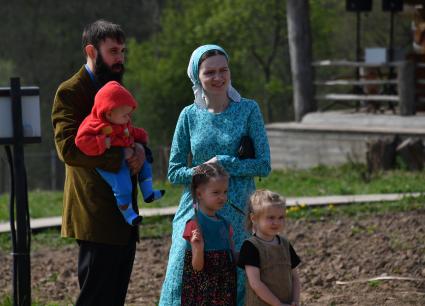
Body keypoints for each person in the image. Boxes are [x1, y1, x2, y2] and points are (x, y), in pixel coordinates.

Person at [159, 44, 271, 306]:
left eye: (224, 70)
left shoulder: (249, 110)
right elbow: (174, 172)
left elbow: (263, 165)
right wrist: (203, 171)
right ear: (197, 76)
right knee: (181, 272)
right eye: (210, 72)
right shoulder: (188, 116)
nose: (218, 78)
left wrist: (224, 162)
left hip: (238, 207)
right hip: (197, 207)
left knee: (237, 278)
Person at [51, 20, 145, 305]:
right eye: (113, 51)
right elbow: (68, 149)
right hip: (94, 213)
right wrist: (121, 155)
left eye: (122, 51)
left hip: (123, 216)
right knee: (95, 299)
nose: (120, 58)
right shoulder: (70, 92)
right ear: (92, 50)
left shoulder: (114, 87)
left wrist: (140, 149)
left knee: (114, 298)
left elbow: (126, 134)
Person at [75, 80, 164, 226]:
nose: (128, 119)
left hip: (128, 157)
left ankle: (148, 192)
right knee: (123, 186)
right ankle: (128, 213)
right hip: (111, 164)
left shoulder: (122, 122)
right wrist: (103, 142)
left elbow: (131, 132)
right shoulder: (94, 125)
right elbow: (81, 141)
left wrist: (141, 139)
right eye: (125, 115)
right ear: (109, 114)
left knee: (146, 164)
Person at [181, 162, 237, 305]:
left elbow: (234, 258)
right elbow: (197, 267)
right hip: (203, 291)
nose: (222, 197)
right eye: (216, 192)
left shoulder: (225, 223)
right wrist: (198, 247)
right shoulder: (194, 225)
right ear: (199, 194)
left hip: (224, 288)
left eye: (225, 192)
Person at [238, 189, 301, 306]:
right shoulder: (251, 247)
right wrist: (277, 304)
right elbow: (255, 283)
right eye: (271, 217)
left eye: (281, 217)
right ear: (254, 218)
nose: (276, 222)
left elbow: (295, 278)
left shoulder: (285, 245)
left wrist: (296, 301)